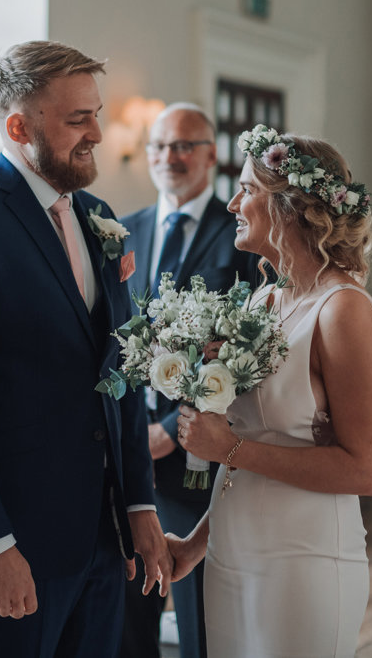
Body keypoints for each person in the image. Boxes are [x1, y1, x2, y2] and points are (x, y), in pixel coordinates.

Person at [0, 40, 173, 658]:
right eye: (78, 119)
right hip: (9, 544)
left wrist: (138, 502)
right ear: (20, 128)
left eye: (96, 114)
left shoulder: (98, 217)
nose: (96, 133)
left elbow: (124, 368)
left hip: (101, 541)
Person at [168, 126, 372, 658]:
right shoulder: (263, 303)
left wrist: (228, 449)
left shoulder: (342, 310)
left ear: (291, 208)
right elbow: (250, 444)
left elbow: (366, 470)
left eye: (246, 190)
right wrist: (196, 546)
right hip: (230, 557)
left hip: (303, 561)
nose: (232, 204)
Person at [119, 103, 256, 658]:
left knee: (201, 615)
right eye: (158, 146)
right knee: (128, 618)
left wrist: (174, 427)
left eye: (182, 146)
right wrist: (131, 432)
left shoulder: (241, 233)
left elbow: (251, 348)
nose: (168, 157)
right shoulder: (123, 231)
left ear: (210, 155)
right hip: (127, 461)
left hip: (198, 462)